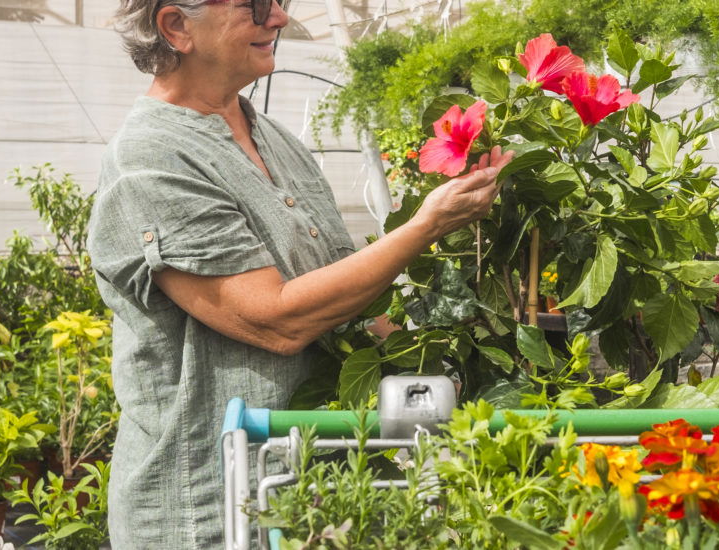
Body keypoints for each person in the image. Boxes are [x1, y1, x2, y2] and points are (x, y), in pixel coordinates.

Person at [91, 0, 512, 546]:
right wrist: (425, 226)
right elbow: (276, 321)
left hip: (309, 491)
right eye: (257, 4)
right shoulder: (150, 158)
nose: (280, 19)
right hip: (209, 506)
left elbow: (343, 297)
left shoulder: (274, 139)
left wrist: (442, 371)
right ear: (176, 26)